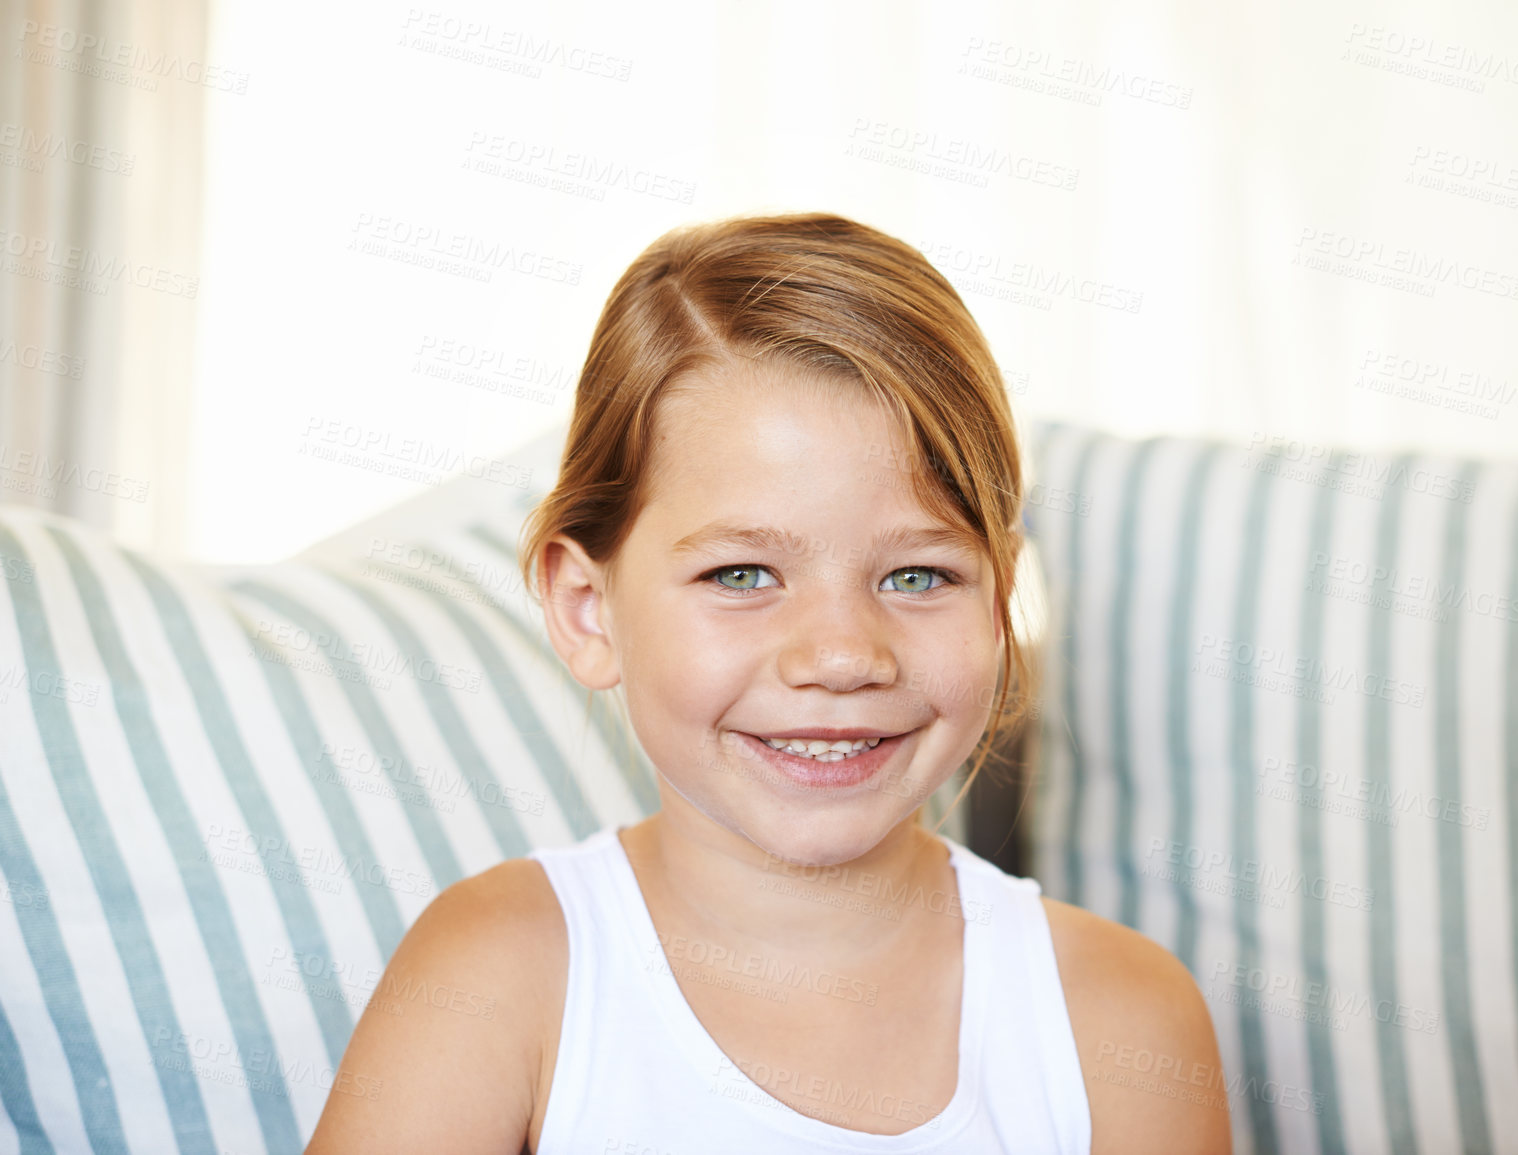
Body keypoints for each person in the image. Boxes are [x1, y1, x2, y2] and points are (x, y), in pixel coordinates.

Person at [305, 212, 1229, 1154]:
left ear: (997, 602)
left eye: (918, 575)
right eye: (741, 575)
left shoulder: (1118, 1021)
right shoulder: (501, 976)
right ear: (588, 609)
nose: (840, 655)